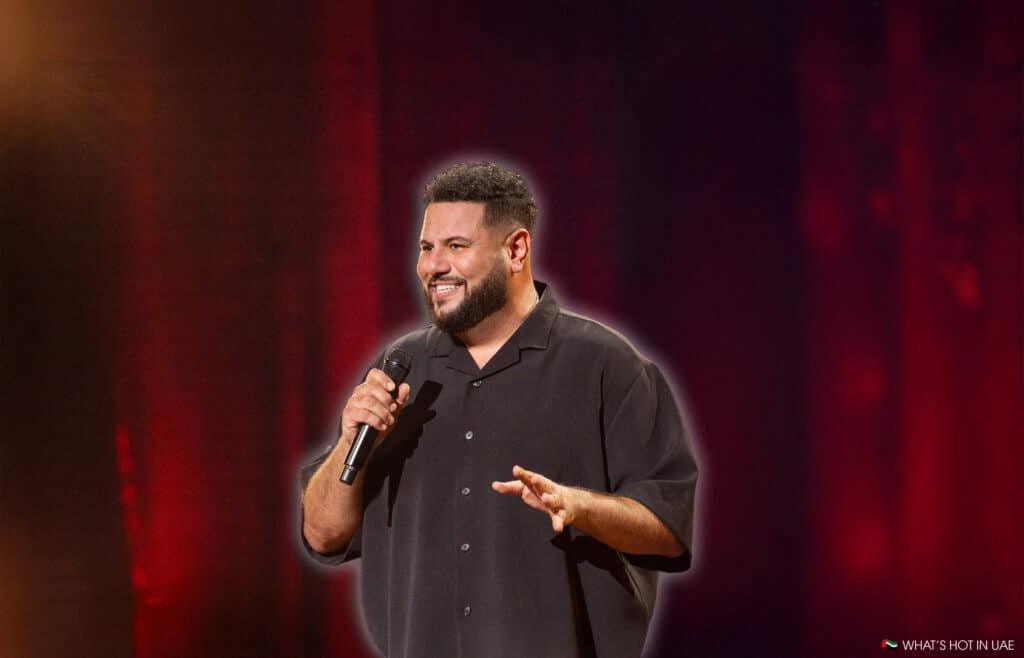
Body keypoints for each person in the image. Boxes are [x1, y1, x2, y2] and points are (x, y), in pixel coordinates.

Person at [300, 161, 698, 658]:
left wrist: (579, 507)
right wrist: (348, 442)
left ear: (516, 249)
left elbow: (667, 529)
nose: (432, 266)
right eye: (426, 247)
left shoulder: (605, 366)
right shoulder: (400, 371)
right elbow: (321, 534)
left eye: (456, 247)